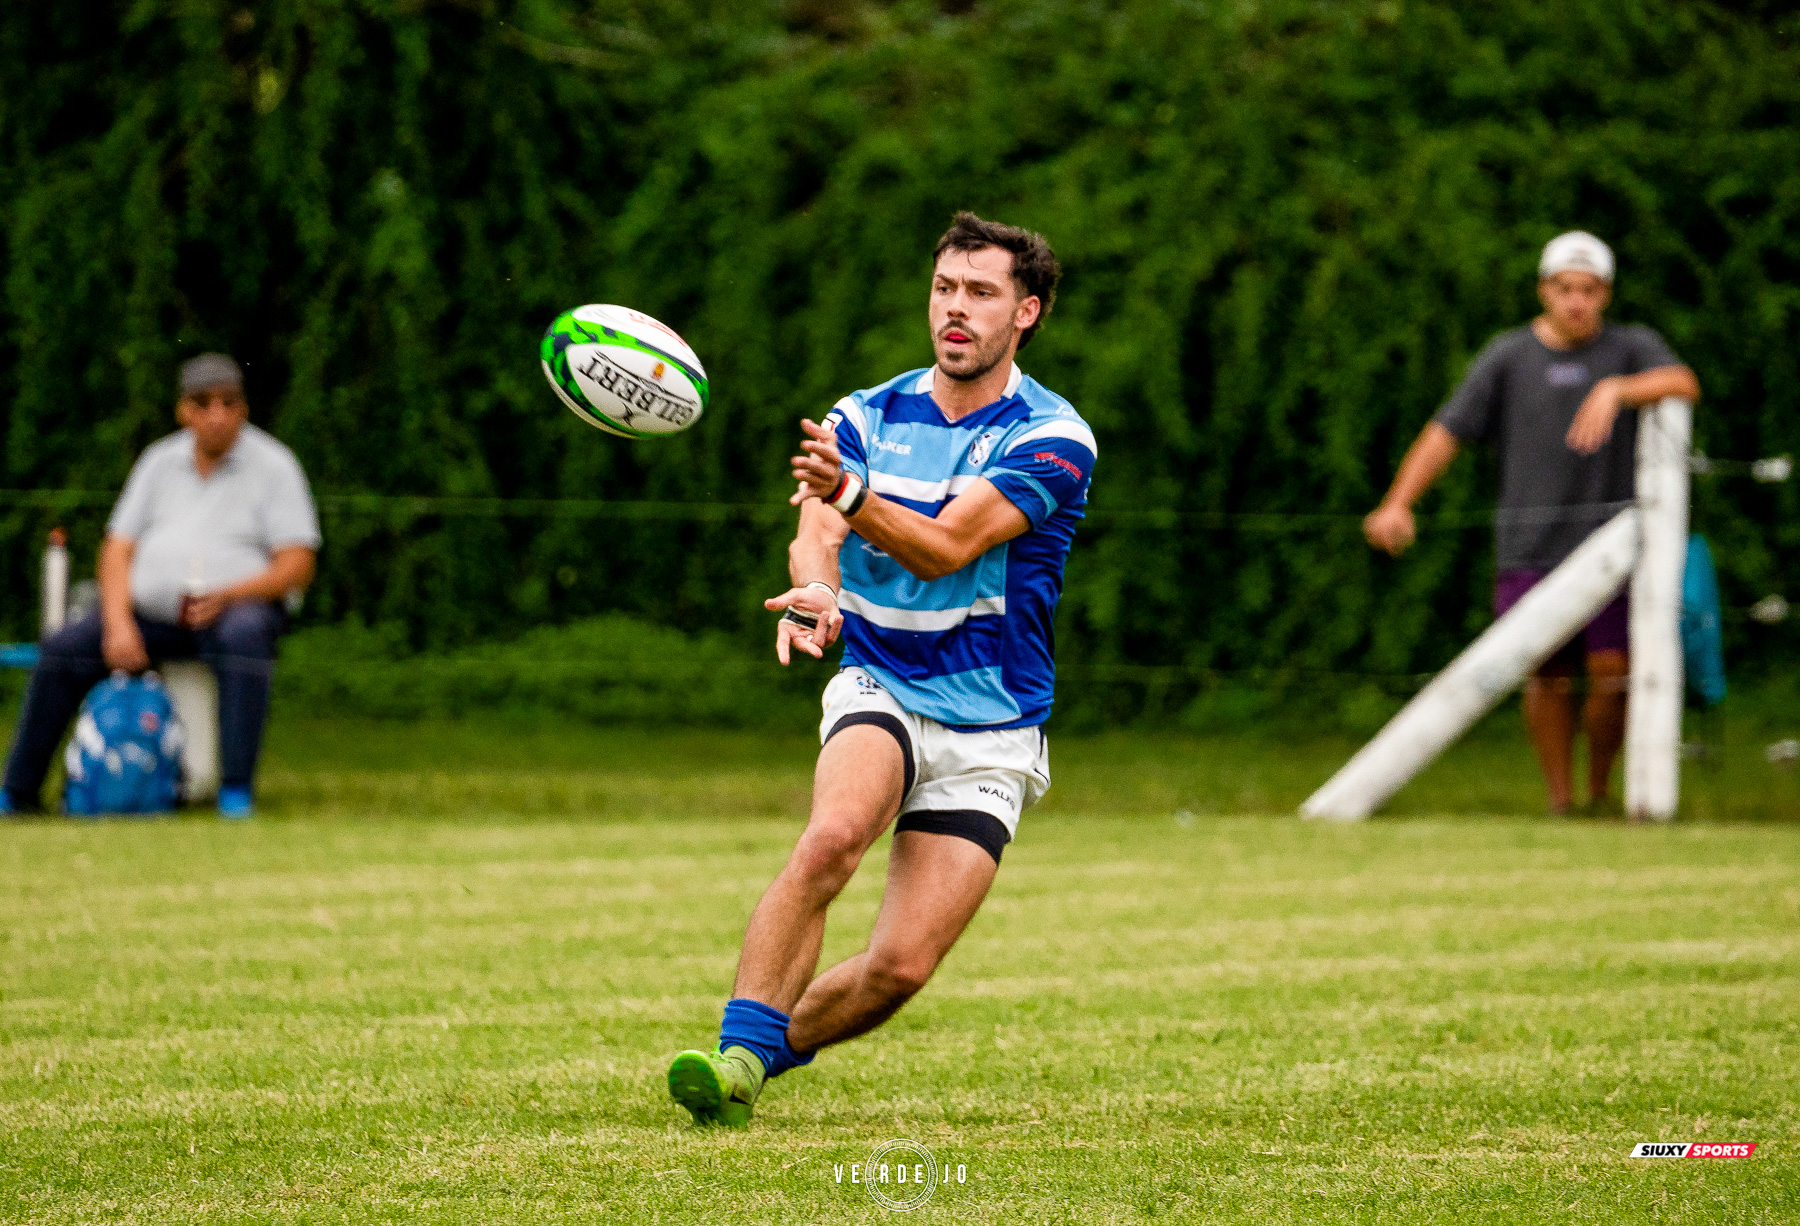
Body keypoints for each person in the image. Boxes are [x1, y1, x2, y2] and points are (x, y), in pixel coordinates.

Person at [666, 213, 1095, 1126]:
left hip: (993, 721)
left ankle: (764, 1056)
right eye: (946, 288)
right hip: (883, 678)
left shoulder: (1055, 437)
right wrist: (820, 591)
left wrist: (851, 495)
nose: (956, 309)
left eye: (981, 293)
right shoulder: (867, 414)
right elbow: (816, 530)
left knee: (900, 969)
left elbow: (945, 546)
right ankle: (733, 1056)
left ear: (1027, 313)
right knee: (832, 836)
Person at [1363, 232, 1700, 814]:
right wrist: (1399, 501)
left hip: (1614, 548)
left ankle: (1600, 790)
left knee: (1612, 672)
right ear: (1545, 290)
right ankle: (1561, 802)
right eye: (1566, 288)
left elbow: (1684, 383)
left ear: (1606, 295)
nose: (1577, 301)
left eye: (1589, 290)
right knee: (1543, 673)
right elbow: (1448, 430)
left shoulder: (1629, 349)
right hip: (1529, 544)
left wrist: (1618, 390)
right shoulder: (1509, 356)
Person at [1, 354, 320, 819]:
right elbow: (116, 550)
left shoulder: (275, 466)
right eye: (204, 403)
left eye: (229, 403)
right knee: (64, 648)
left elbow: (298, 564)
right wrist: (117, 623)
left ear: (243, 409)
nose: (217, 414)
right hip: (151, 614)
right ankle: (17, 792)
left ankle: (234, 792)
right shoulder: (159, 461)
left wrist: (228, 594)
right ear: (183, 411)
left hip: (238, 608)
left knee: (244, 637)